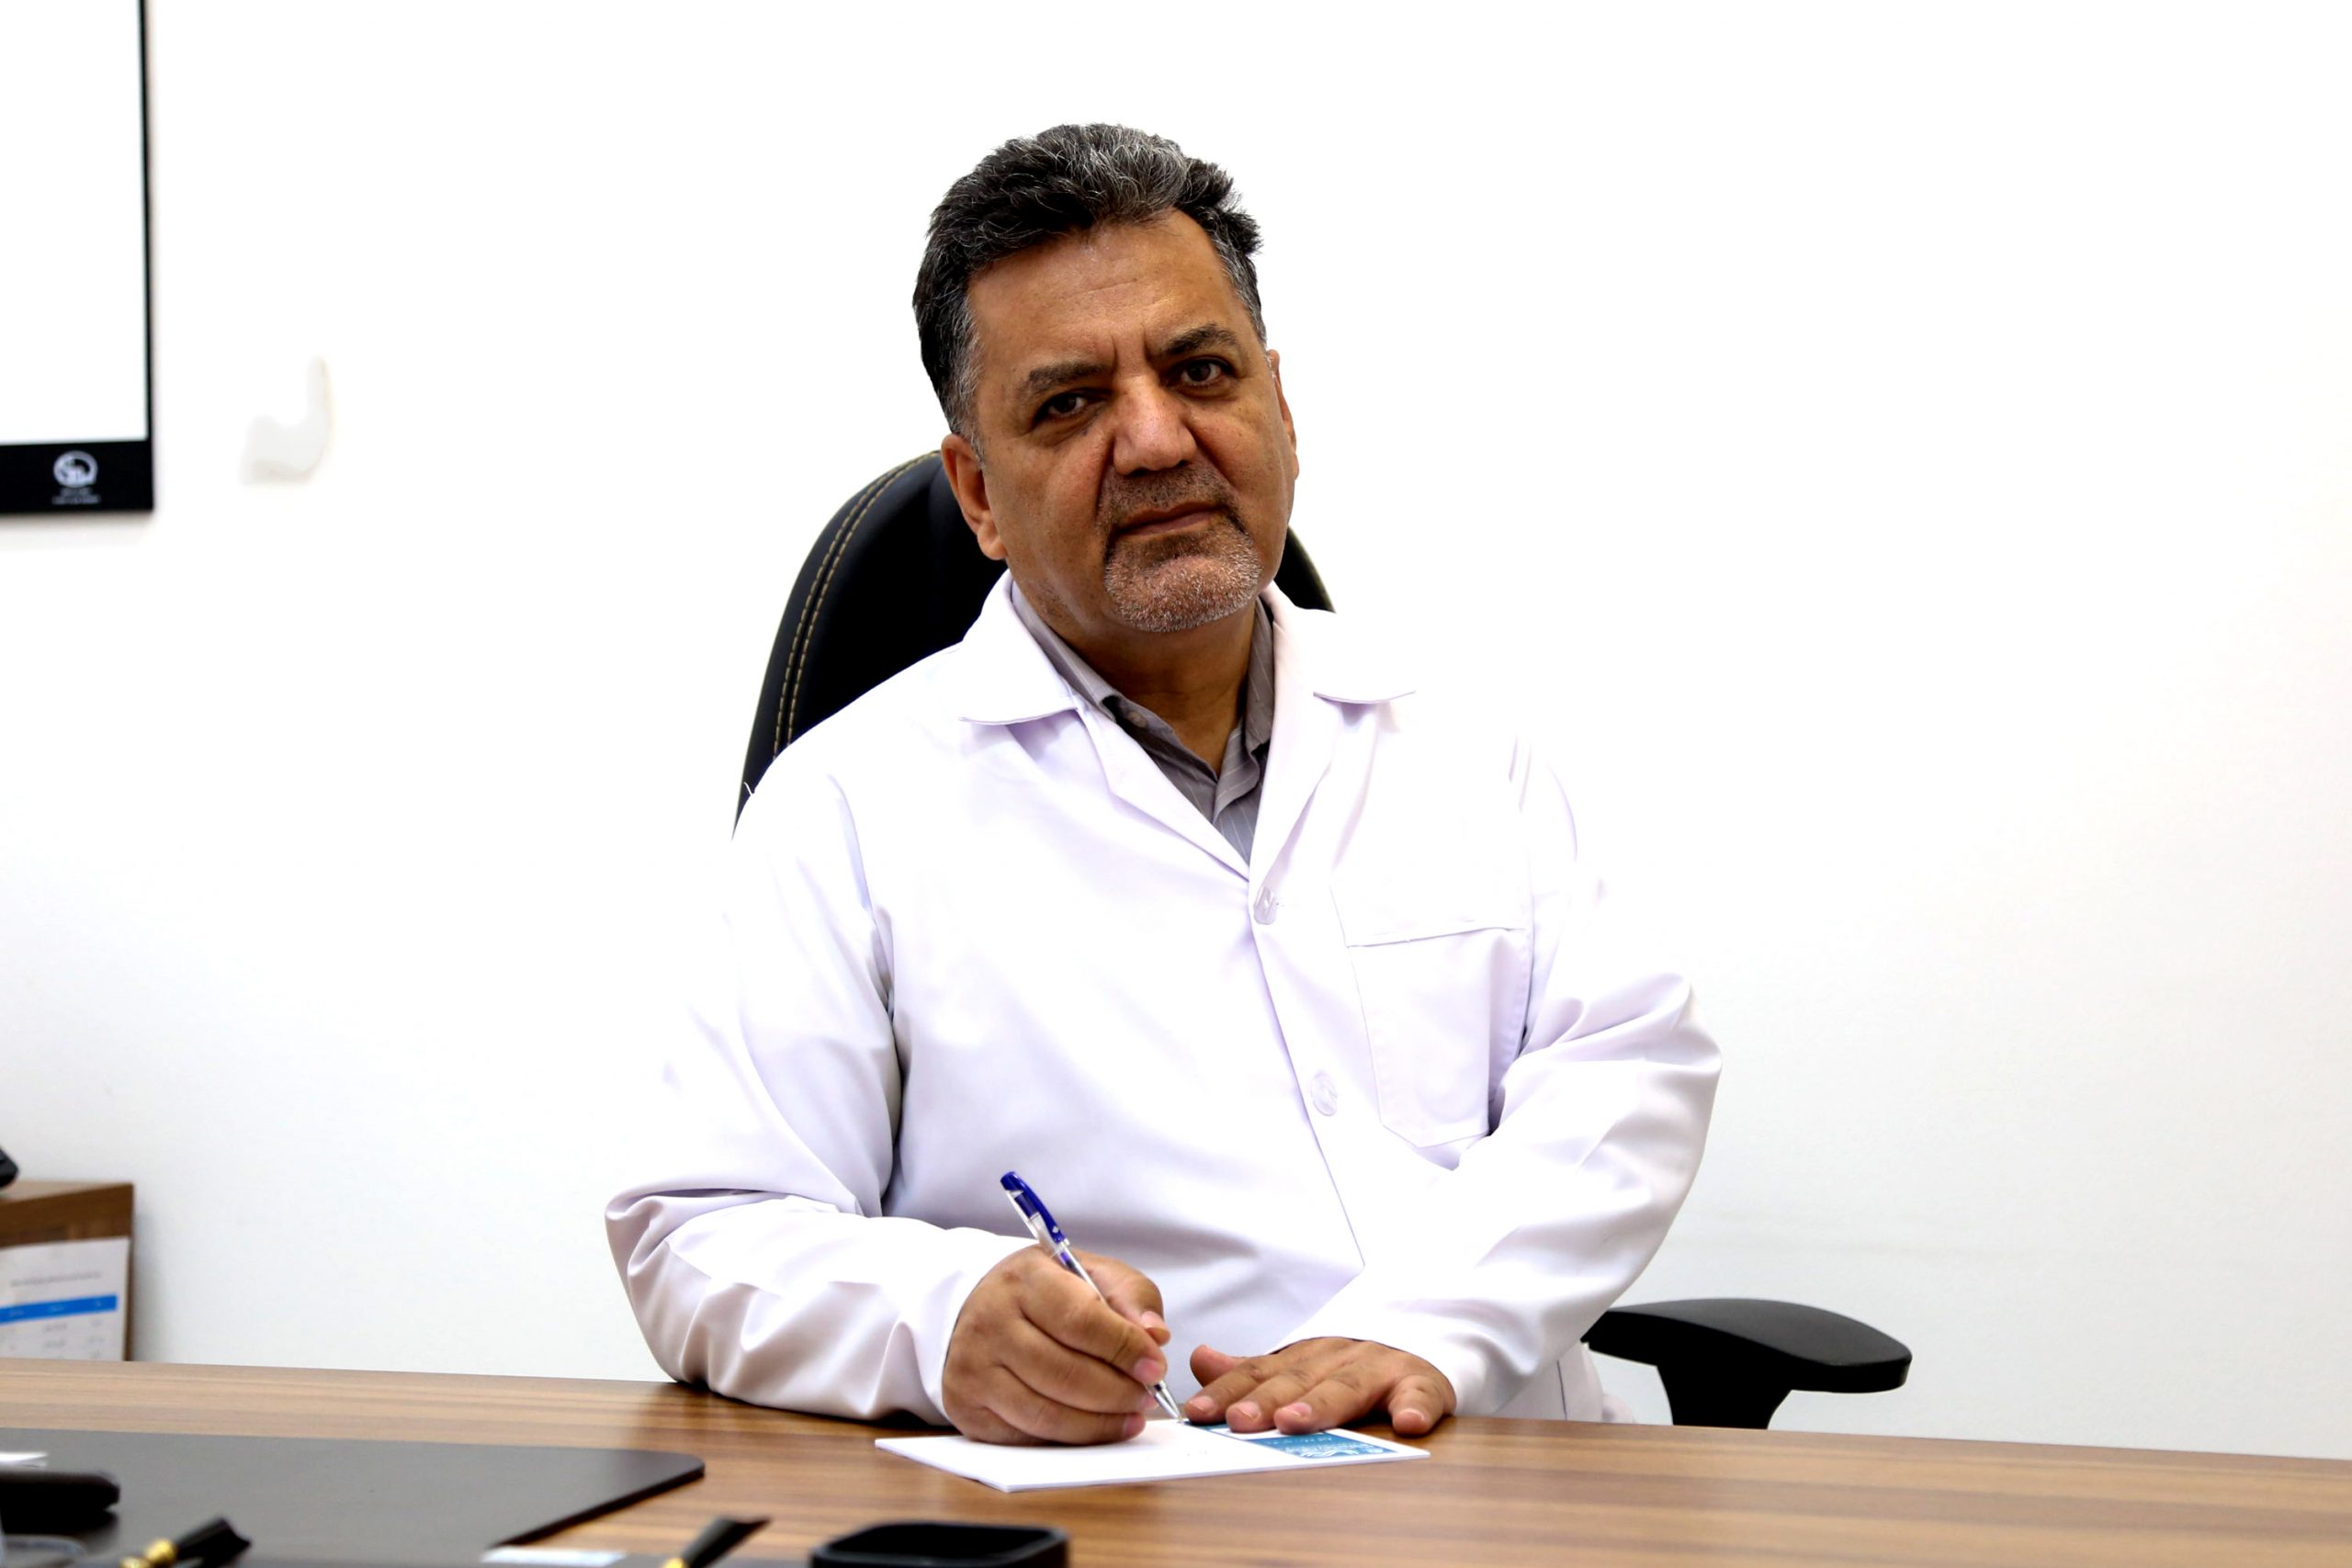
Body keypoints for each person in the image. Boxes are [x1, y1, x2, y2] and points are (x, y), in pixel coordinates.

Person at [606, 124, 1720, 1446]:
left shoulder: (1462, 742)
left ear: (1280, 411)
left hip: (1504, 1469)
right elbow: (700, 1230)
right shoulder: (848, 806)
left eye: (1199, 372)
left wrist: (1430, 1324)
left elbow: (1629, 1067)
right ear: (977, 493)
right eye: (1070, 403)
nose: (1152, 439)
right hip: (1146, 1496)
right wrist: (944, 1315)